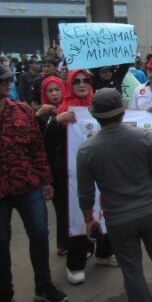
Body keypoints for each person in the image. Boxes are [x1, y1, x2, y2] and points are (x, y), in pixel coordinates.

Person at [77, 89, 152, 302]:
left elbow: (85, 193)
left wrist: (89, 219)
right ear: (123, 113)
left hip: (119, 218)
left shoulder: (86, 150)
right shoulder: (143, 138)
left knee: (131, 269)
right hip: (151, 212)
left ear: (95, 116)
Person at [0, 63, 68, 302]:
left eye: (10, 78)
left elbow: (37, 149)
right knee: (0, 243)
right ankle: (5, 293)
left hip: (28, 186)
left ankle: (43, 286)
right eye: (2, 80)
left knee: (40, 235)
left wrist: (46, 181)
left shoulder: (22, 111)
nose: (9, 83)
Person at [47, 69, 117, 284]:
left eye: (86, 80)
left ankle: (104, 253)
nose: (81, 84)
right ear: (69, 84)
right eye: (76, 81)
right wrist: (57, 122)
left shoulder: (100, 108)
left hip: (102, 173)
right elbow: (46, 146)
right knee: (78, 218)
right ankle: (75, 264)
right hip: (71, 177)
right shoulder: (61, 112)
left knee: (105, 213)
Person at [36, 76, 69, 255]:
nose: (55, 94)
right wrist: (37, 117)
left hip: (69, 165)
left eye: (57, 89)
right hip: (51, 167)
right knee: (61, 208)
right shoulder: (41, 114)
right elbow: (34, 141)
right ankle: (64, 243)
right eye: (50, 90)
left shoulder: (70, 109)